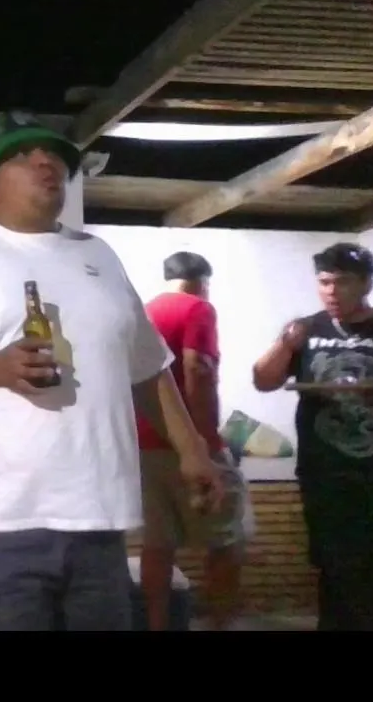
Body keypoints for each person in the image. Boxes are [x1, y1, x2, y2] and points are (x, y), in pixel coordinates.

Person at [0, 111, 224, 632]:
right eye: (23, 156)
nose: (46, 163)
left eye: (56, 155)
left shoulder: (98, 254)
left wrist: (193, 449)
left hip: (100, 522)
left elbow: (147, 366)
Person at [252, 242, 373, 631]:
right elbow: (263, 380)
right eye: (324, 282)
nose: (331, 291)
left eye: (343, 282)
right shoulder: (307, 329)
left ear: (366, 284)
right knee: (332, 563)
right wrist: (285, 343)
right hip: (325, 470)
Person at [136, 251, 249, 631]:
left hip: (144, 444)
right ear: (203, 282)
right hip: (187, 444)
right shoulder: (198, 308)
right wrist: (204, 441)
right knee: (226, 539)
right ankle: (220, 625)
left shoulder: (145, 311)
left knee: (157, 545)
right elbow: (197, 369)